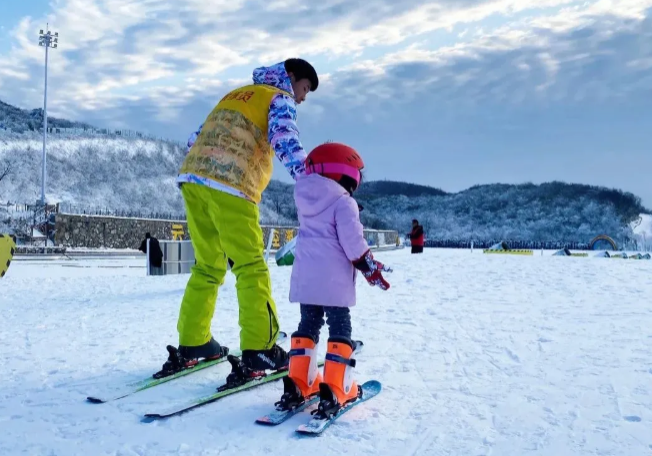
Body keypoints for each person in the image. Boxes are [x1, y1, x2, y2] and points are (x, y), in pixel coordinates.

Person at [154, 58, 319, 379]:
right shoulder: (277, 97)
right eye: (304, 88)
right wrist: (311, 179)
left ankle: (193, 342)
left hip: (193, 178)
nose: (302, 97)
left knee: (208, 266)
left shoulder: (237, 94)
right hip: (231, 184)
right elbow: (284, 139)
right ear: (291, 78)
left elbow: (195, 138)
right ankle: (260, 349)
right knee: (250, 266)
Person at [274, 142, 391, 416]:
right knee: (339, 327)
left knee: (308, 324)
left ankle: (300, 384)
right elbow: (353, 243)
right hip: (333, 281)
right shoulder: (343, 202)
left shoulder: (306, 199)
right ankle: (337, 388)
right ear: (346, 175)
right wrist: (368, 265)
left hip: (306, 279)